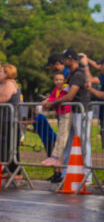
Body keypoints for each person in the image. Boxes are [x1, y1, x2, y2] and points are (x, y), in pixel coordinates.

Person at [42, 49, 92, 183]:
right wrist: (50, 99)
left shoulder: (78, 74)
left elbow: (70, 96)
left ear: (71, 59)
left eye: (65, 59)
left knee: (83, 142)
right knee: (68, 143)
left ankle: (87, 175)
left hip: (82, 111)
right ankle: (65, 174)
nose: (63, 61)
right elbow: (64, 92)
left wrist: (52, 103)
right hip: (74, 111)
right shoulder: (70, 73)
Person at [41, 72, 71, 167]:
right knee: (61, 134)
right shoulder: (56, 89)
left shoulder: (66, 88)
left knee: (62, 134)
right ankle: (58, 156)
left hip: (66, 112)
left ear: (65, 80)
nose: (58, 81)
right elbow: (52, 97)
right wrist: (47, 100)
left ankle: (56, 156)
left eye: (60, 79)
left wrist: (50, 100)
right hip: (61, 113)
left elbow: (62, 98)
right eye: (56, 80)